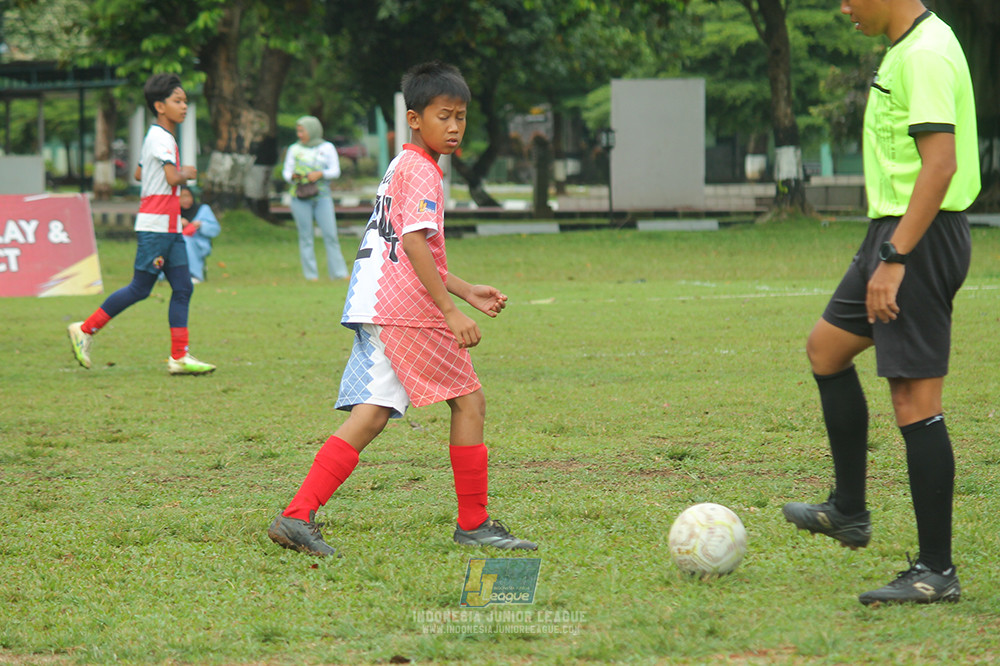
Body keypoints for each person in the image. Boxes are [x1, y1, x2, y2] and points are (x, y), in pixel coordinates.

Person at [268, 62, 536, 557]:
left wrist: (465, 290)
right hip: (405, 307)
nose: (454, 127)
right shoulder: (424, 170)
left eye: (460, 118)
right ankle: (473, 523)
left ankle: (297, 515)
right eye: (443, 116)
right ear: (415, 118)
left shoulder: (401, 164)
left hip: (378, 299)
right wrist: (449, 311)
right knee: (469, 402)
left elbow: (407, 247)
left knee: (371, 415)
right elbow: (413, 242)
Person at [782, 0, 979, 605]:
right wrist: (885, 247)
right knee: (826, 349)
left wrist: (895, 258)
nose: (842, 7)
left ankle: (936, 571)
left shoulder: (923, 54)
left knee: (914, 398)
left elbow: (939, 165)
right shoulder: (905, 48)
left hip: (917, 237)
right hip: (890, 232)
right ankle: (848, 510)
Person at [67, 73, 216, 376]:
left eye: (185, 100)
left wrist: (167, 175)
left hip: (169, 226)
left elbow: (138, 174)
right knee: (140, 288)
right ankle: (84, 329)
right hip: (156, 226)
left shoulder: (158, 136)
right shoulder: (162, 137)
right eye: (178, 101)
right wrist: (186, 172)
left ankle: (179, 356)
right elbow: (173, 177)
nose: (184, 106)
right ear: (160, 106)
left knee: (183, 287)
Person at [281, 116, 348, 281]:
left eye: (302, 130)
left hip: (322, 197)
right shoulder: (294, 149)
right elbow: (286, 172)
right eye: (298, 131)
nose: (299, 134)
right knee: (306, 236)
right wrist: (294, 176)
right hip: (300, 196)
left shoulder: (327, 147)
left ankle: (339, 273)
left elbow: (335, 171)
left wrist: (320, 174)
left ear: (312, 130)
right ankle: (311, 275)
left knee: (330, 235)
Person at [179, 186, 220, 283]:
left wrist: (201, 225)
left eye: (188, 196)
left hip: (199, 244)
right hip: (176, 243)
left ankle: (194, 274)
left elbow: (215, 230)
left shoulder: (203, 209)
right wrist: (178, 223)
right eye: (181, 197)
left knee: (186, 240)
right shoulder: (173, 212)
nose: (186, 200)